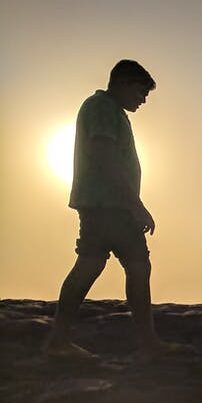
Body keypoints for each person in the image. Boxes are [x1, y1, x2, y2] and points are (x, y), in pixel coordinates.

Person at [45, 59, 172, 358]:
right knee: (113, 264)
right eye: (141, 92)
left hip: (109, 204)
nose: (143, 100)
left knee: (110, 265)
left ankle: (61, 341)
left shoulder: (109, 110)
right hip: (108, 205)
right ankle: (61, 342)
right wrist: (136, 204)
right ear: (125, 83)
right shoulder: (101, 108)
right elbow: (105, 157)